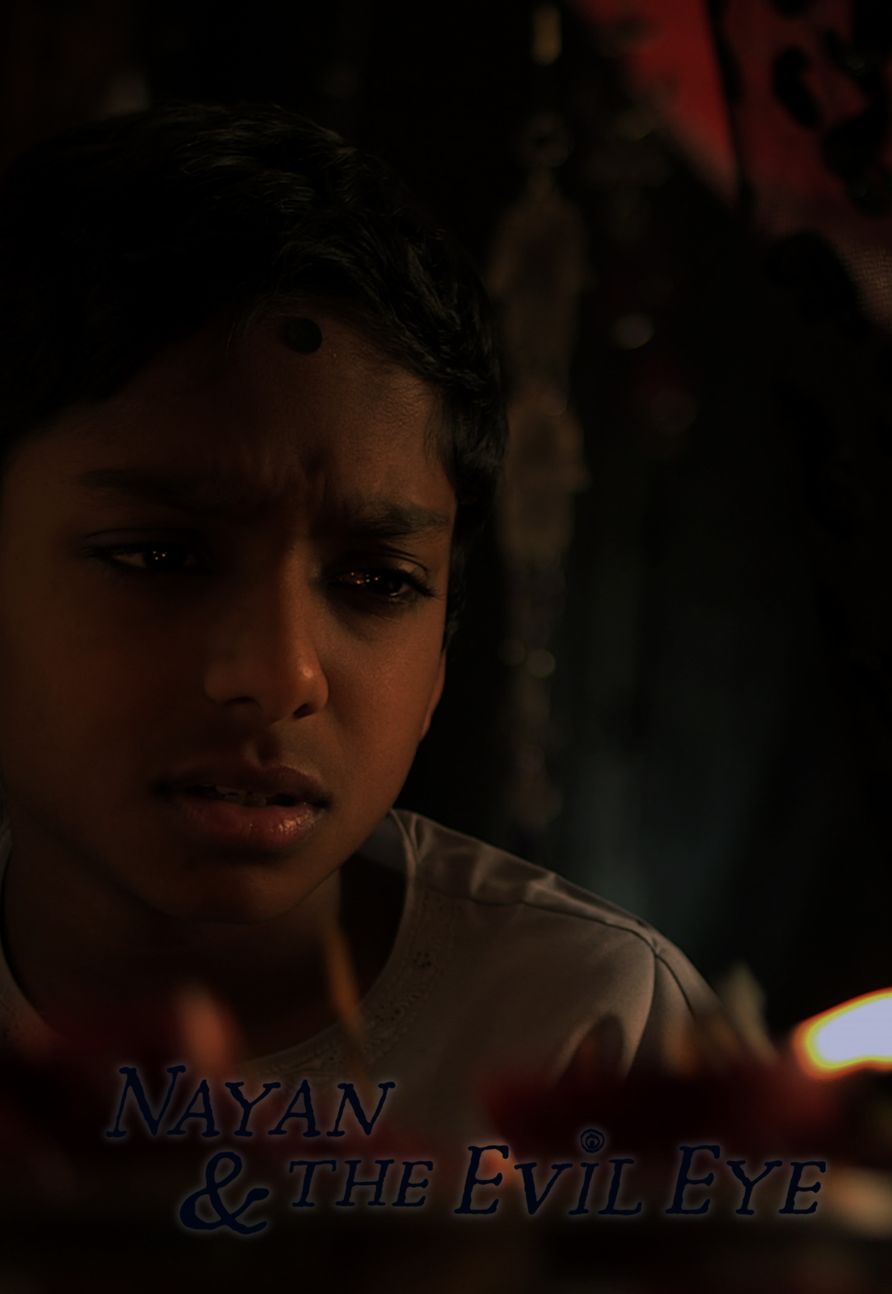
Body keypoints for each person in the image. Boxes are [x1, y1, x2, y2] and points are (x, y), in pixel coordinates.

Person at [0, 101, 714, 1145]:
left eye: (377, 580)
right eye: (160, 557)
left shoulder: (591, 1034)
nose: (281, 672)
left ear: (442, 652)